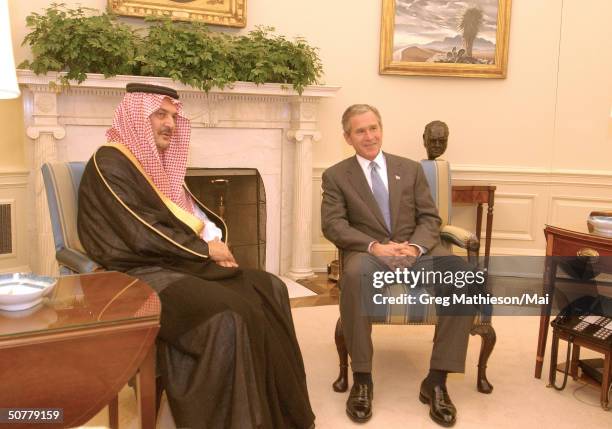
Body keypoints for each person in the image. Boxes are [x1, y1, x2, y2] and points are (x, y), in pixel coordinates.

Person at [77, 83, 315, 429]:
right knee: (230, 314)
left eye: (174, 116)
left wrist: (213, 247)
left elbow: (190, 217)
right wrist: (205, 251)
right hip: (136, 275)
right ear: (136, 117)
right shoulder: (109, 162)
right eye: (160, 114)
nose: (170, 123)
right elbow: (140, 230)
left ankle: (285, 417)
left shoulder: (155, 166)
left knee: (270, 288)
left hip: (177, 261)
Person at [321, 104, 482, 427]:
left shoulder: (409, 169)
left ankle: (436, 381)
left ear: (381, 128)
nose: (369, 136)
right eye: (360, 131)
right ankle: (363, 378)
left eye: (373, 128)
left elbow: (430, 218)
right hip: (370, 254)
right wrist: (376, 247)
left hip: (417, 250)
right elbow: (333, 225)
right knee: (354, 275)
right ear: (347, 137)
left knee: (462, 276)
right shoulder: (336, 175)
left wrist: (413, 247)